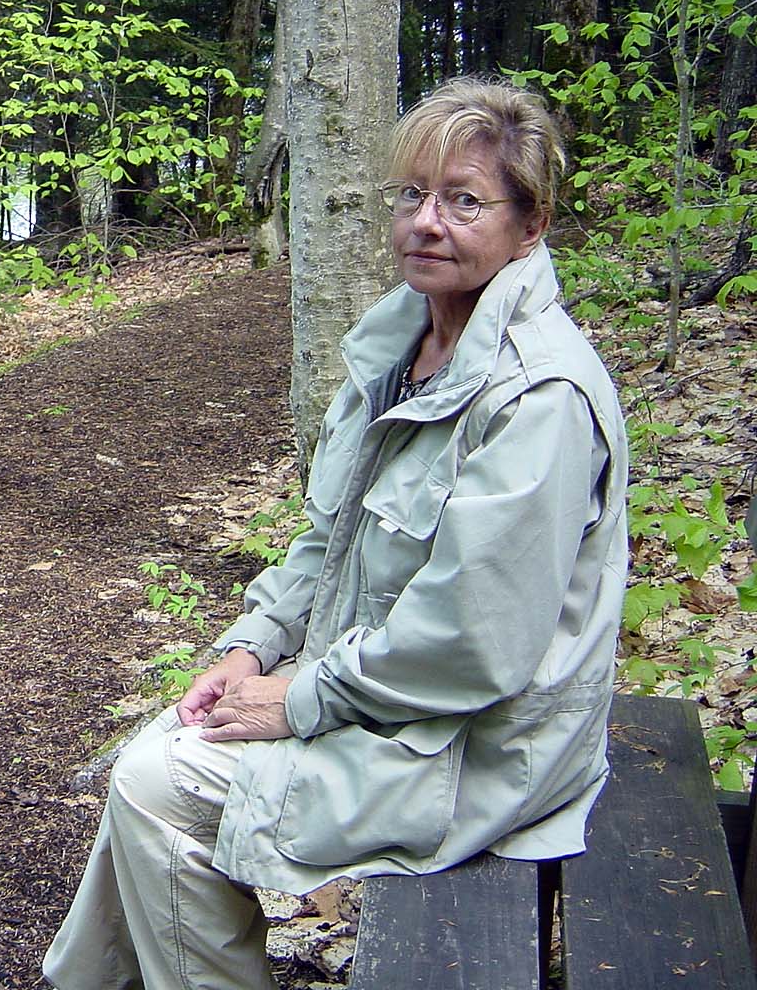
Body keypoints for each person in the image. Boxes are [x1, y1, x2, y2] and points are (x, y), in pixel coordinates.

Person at [42, 76, 629, 990]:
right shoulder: (400, 343)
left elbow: (473, 647)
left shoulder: (538, 397)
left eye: (465, 201)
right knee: (164, 746)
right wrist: (253, 645)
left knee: (157, 788)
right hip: (400, 701)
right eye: (413, 194)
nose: (427, 222)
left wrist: (299, 698)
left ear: (533, 224)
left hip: (484, 746)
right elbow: (328, 540)